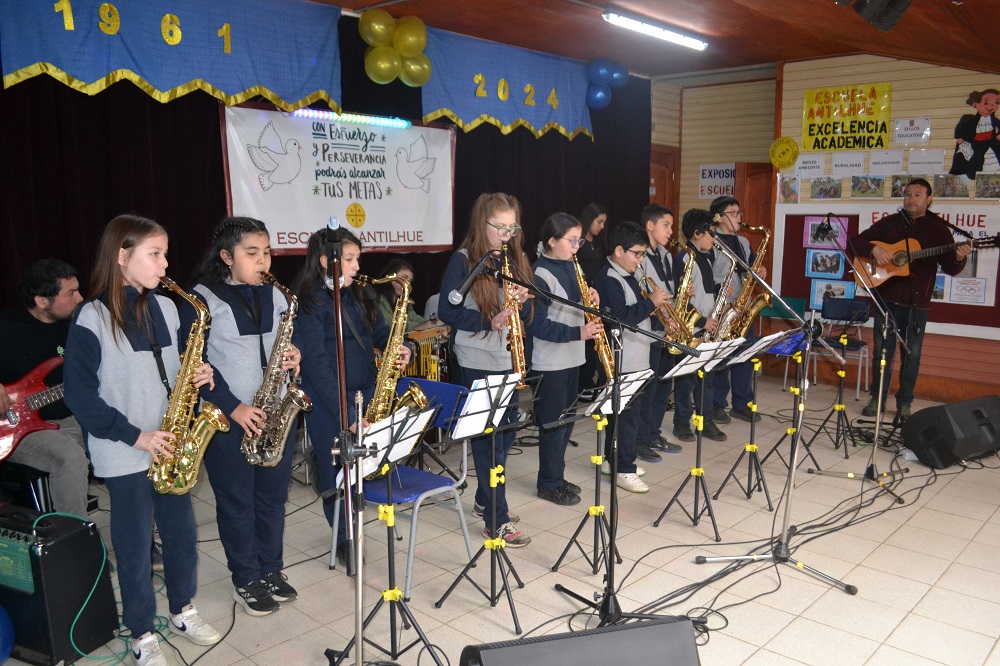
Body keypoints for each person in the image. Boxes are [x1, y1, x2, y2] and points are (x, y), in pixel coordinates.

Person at [64, 214, 222, 666]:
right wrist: (136, 436)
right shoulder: (91, 317)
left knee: (181, 536)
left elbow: (172, 375)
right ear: (121, 256)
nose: (165, 263)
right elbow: (80, 395)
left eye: (165, 253)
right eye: (155, 254)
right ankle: (140, 632)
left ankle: (182, 609)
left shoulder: (169, 308)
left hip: (171, 442)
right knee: (134, 547)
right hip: (124, 450)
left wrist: (198, 375)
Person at [183, 217, 302, 616]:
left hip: (275, 415)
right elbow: (193, 365)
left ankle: (271, 569)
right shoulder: (201, 299)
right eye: (252, 253)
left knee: (272, 500)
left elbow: (288, 344)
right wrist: (234, 407)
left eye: (266, 252)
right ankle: (246, 578)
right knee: (237, 503)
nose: (263, 261)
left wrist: (295, 359)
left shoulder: (279, 295)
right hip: (227, 416)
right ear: (226, 256)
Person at [292, 228, 410, 565]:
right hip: (329, 400)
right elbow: (316, 366)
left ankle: (360, 519)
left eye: (358, 258)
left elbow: (380, 331)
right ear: (325, 261)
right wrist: (347, 413)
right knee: (337, 471)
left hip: (366, 392)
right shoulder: (311, 302)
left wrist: (402, 347)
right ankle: (344, 536)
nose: (358, 266)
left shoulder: (358, 293)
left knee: (366, 464)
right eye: (349, 259)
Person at [438, 193, 533, 545]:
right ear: (483, 224)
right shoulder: (463, 262)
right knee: (489, 441)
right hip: (476, 361)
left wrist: (522, 301)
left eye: (512, 227)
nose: (507, 234)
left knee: (506, 434)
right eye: (500, 227)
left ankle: (484, 499)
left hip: (507, 358)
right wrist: (486, 320)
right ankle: (498, 518)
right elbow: (448, 312)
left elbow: (521, 315)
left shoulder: (512, 258)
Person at [853, 179, 972, 420]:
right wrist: (873, 250)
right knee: (882, 353)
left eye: (917, 194)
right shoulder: (891, 223)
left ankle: (904, 403)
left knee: (912, 356)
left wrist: (960, 258)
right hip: (886, 301)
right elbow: (855, 242)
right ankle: (877, 399)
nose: (911, 198)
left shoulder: (938, 230)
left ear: (929, 199)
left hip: (918, 304)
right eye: (908, 194)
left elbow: (950, 266)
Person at [0, 259, 89, 518]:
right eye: (70, 293)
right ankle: (76, 546)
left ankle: (140, 536)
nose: (80, 298)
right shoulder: (6, 327)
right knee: (70, 459)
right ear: (41, 301)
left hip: (74, 416)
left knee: (129, 440)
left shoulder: (78, 324)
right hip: (19, 430)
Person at [530, 212, 605, 505]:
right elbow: (539, 326)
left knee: (567, 422)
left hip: (572, 357)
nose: (577, 247)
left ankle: (556, 477)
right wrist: (579, 332)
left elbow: (574, 304)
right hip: (552, 362)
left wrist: (591, 296)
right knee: (553, 424)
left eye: (579, 241)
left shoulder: (571, 266)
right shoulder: (540, 273)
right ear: (551, 241)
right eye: (571, 241)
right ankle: (547, 483)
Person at [594, 220, 670, 494]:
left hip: (636, 357)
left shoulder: (626, 274)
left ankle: (610, 461)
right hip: (622, 360)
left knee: (625, 415)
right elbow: (620, 319)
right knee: (626, 417)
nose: (640, 260)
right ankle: (623, 469)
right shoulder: (608, 278)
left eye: (642, 254)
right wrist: (651, 303)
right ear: (618, 250)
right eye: (636, 254)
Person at [709, 196, 765, 424]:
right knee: (722, 358)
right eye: (733, 213)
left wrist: (759, 271)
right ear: (718, 217)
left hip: (743, 307)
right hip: (721, 307)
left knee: (745, 355)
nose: (739, 217)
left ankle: (741, 403)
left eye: (739, 213)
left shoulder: (743, 242)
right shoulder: (710, 242)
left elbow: (749, 270)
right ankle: (717, 405)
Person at [672, 210, 727, 443]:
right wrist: (704, 321)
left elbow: (702, 291)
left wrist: (718, 288)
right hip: (691, 329)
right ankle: (682, 423)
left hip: (707, 327)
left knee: (707, 378)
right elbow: (680, 300)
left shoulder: (704, 256)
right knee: (687, 380)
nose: (714, 239)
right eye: (710, 234)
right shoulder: (685, 259)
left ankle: (704, 420)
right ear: (697, 234)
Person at [636, 204, 683, 460]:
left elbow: (666, 289)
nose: (671, 230)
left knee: (664, 386)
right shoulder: (640, 255)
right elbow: (645, 291)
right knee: (649, 387)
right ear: (650, 225)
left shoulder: (665, 255)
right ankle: (640, 438)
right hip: (652, 329)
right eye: (666, 224)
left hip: (669, 328)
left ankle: (652, 433)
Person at [575, 203, 608, 394]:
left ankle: (589, 381)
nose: (602, 226)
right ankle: (583, 382)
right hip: (581, 296)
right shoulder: (578, 242)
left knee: (593, 341)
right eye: (599, 222)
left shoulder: (597, 242)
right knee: (586, 342)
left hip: (596, 296)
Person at [373, 258, 438, 333]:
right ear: (391, 276)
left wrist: (435, 324)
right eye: (404, 278)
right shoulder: (376, 297)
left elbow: (415, 319)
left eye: (409, 281)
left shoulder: (404, 299)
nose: (407, 284)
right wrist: (421, 327)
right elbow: (388, 323)